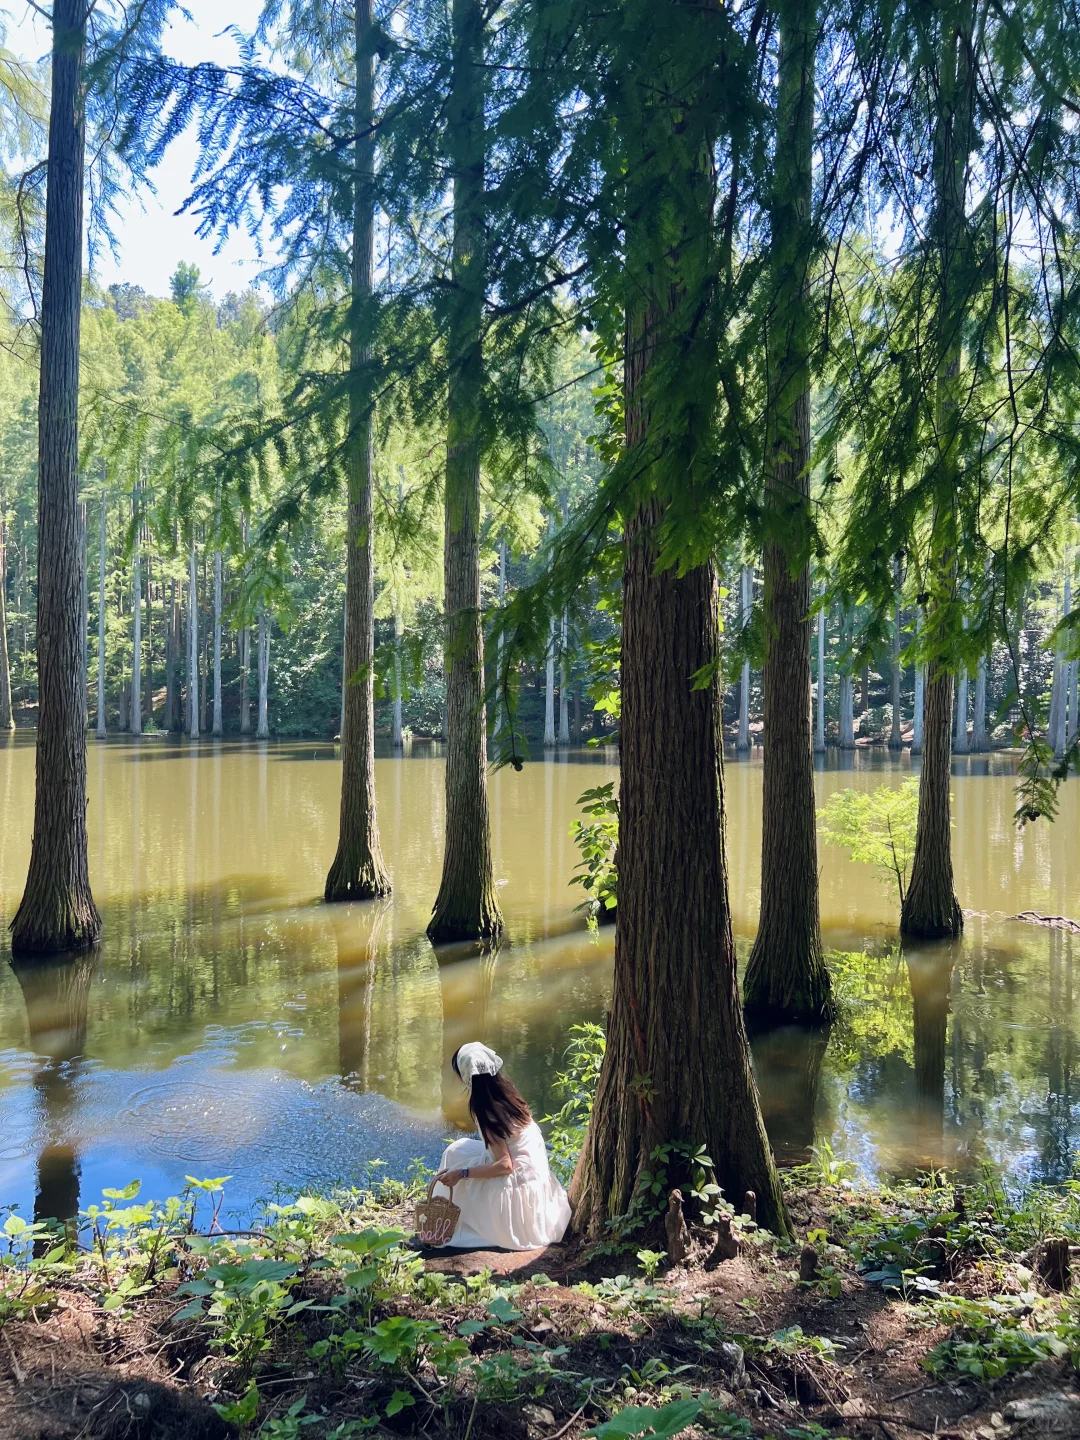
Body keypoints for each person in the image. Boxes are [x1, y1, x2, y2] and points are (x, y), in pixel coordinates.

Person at [430, 1041, 571, 1250]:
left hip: (518, 1182)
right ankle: (445, 1214)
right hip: (535, 1174)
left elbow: (505, 1165)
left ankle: (445, 1222)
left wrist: (463, 1173)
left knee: (457, 1172)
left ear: (465, 1075)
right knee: (455, 1151)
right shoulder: (507, 1091)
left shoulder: (486, 1109)